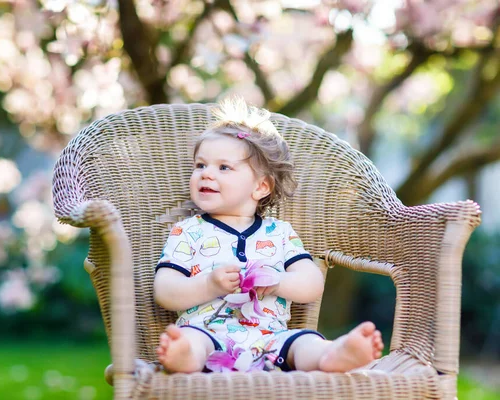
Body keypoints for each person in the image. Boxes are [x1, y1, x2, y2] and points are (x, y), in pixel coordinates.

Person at [153, 96, 383, 374]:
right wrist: (208, 285)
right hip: (208, 336)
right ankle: (182, 357)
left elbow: (311, 284)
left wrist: (277, 281)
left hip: (271, 339)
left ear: (261, 187)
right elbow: (165, 290)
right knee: (192, 341)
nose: (206, 174)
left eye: (223, 167)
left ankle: (333, 354)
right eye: (200, 165)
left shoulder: (280, 233)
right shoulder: (187, 230)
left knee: (304, 341)